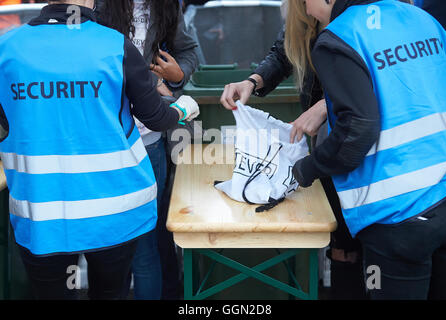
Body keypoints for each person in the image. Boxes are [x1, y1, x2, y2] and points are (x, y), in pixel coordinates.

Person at [0, 0, 199, 300]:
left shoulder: (7, 47)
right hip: (113, 212)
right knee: (110, 292)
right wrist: (183, 109)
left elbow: (7, 119)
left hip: (41, 213)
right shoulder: (114, 45)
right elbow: (156, 116)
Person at [289, 0, 446, 300]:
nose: (307, 10)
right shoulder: (422, 19)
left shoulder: (339, 36)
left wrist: (306, 168)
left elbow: (356, 132)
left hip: (396, 213)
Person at [220, 3, 367, 300]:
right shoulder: (304, 14)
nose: (306, 11)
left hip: (361, 142)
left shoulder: (360, 18)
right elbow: (284, 53)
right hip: (326, 143)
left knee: (367, 241)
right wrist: (252, 81)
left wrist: (326, 106)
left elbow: (374, 80)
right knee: (341, 244)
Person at [96, 0, 199, 300]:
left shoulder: (167, 6)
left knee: (146, 247)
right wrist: (153, 80)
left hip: (150, 143)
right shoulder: (98, 6)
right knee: (111, 247)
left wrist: (177, 76)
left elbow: (188, 52)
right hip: (108, 144)